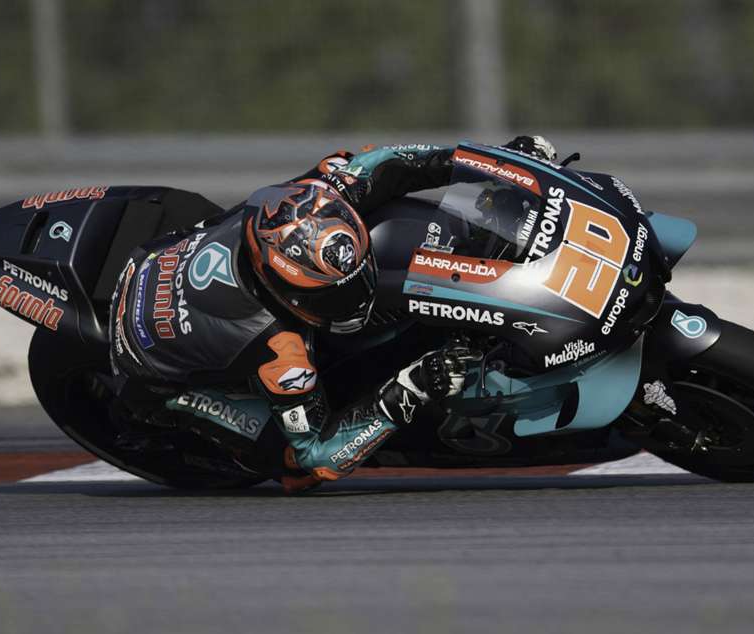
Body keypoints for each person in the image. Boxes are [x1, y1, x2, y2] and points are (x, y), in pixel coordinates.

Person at [108, 135, 557, 492]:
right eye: (331, 298)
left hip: (157, 257)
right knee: (292, 467)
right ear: (288, 295)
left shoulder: (318, 196)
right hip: (148, 371)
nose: (356, 301)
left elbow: (393, 160)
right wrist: (413, 386)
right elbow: (318, 455)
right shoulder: (281, 354)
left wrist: (501, 164)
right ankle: (181, 413)